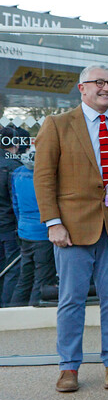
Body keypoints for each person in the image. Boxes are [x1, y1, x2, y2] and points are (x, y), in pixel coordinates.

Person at [34, 65, 108, 392]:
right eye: (99, 83)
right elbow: (44, 177)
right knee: (72, 300)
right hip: (72, 229)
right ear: (82, 88)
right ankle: (69, 368)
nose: (106, 88)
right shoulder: (58, 125)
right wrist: (53, 223)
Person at [10, 143, 56, 306]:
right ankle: (34, 313)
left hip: (24, 231)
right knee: (42, 278)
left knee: (25, 277)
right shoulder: (46, 176)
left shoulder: (17, 173)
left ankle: (14, 311)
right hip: (42, 233)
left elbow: (15, 204)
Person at [0, 126, 23, 307]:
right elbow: (17, 202)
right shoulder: (15, 168)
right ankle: (7, 307)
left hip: (5, 224)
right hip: (9, 226)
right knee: (13, 269)